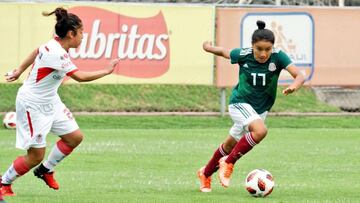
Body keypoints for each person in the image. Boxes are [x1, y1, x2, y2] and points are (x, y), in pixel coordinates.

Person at [0, 7, 120, 196]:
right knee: (35, 156)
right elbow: (80, 77)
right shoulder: (58, 54)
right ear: (71, 33)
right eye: (81, 33)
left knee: (74, 138)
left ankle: (45, 170)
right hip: (33, 105)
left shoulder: (55, 44)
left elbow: (36, 50)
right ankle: (3, 182)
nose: (83, 37)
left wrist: (19, 70)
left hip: (51, 101)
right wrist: (106, 71)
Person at [197, 20, 305, 192]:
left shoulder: (279, 56)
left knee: (229, 145)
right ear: (252, 46)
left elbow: (299, 74)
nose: (263, 53)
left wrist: (294, 86)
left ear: (272, 47)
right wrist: (208, 48)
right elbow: (225, 52)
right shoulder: (244, 54)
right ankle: (228, 162)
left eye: (267, 49)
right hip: (240, 103)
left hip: (259, 110)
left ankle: (206, 173)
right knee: (260, 131)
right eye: (259, 49)